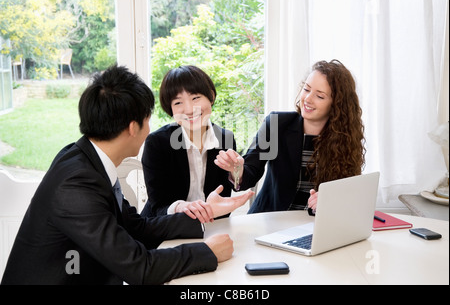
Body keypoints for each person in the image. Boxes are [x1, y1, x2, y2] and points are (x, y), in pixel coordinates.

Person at [1, 65, 253, 285]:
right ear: (134, 127)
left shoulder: (86, 160)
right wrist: (206, 252)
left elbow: (137, 227)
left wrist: (206, 212)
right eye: (148, 119)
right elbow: (139, 267)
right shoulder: (76, 184)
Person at [215, 59, 366, 213]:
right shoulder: (276, 124)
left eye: (320, 96)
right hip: (271, 221)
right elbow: (250, 173)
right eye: (306, 89)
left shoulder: (345, 137)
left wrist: (331, 198)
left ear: (337, 104)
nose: (307, 99)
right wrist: (237, 170)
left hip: (315, 225)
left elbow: (348, 190)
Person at [140, 65, 237, 223]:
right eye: (178, 103)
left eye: (195, 98)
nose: (189, 110)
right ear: (170, 109)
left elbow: (222, 200)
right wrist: (181, 208)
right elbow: (158, 206)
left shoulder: (225, 139)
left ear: (211, 97)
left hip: (210, 227)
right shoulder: (157, 143)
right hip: (164, 229)